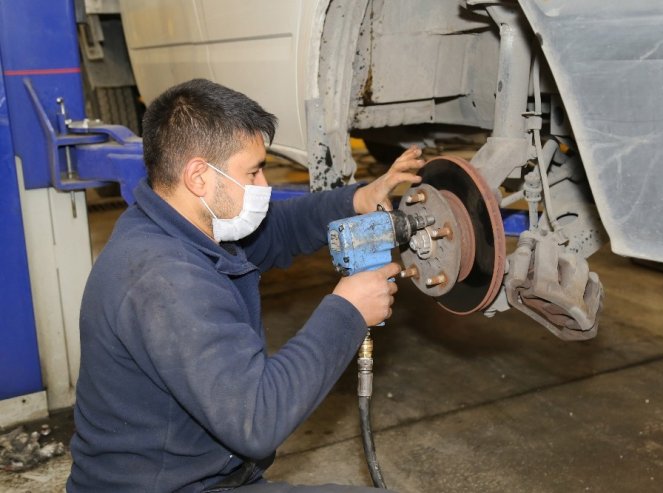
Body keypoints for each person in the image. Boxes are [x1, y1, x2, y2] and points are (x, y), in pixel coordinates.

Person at [66, 78, 425, 492]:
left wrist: (356, 201)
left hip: (205, 476)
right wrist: (347, 310)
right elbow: (256, 419)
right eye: (252, 171)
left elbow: (278, 231)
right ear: (199, 176)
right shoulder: (165, 280)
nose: (264, 186)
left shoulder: (180, 223)